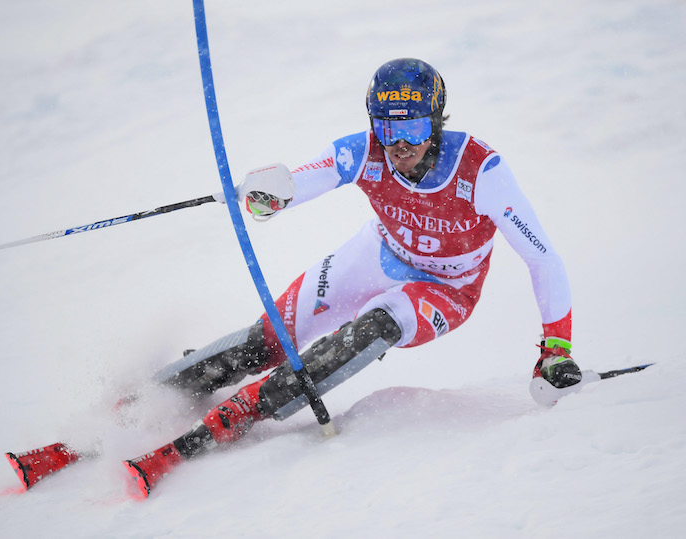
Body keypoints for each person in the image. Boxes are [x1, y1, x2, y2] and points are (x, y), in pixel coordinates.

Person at [123, 58, 581, 496]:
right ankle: (146, 398)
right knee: (267, 339)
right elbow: (303, 180)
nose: (400, 145)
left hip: (446, 289)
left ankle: (250, 407)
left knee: (375, 327)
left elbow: (543, 259)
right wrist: (269, 194)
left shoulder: (482, 170)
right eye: (387, 128)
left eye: (414, 128)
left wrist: (557, 349)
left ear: (437, 121)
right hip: (377, 256)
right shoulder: (362, 151)